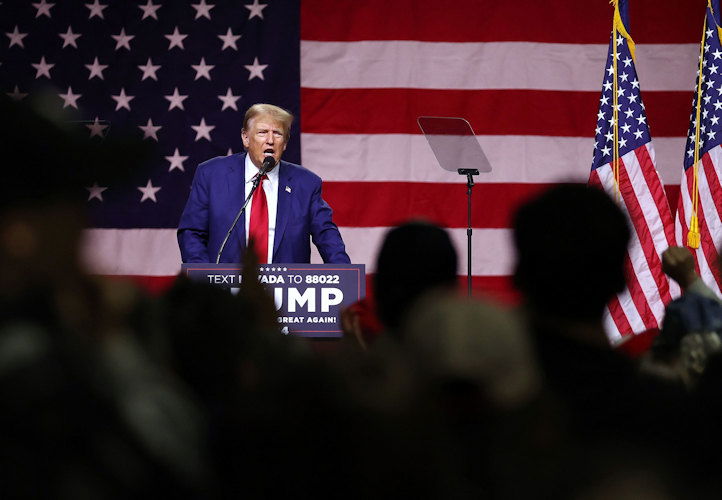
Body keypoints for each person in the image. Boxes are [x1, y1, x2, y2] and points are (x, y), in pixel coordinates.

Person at [178, 103, 350, 264]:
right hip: (224, 291)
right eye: (262, 132)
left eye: (278, 133)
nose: (270, 140)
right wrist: (203, 278)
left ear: (285, 143)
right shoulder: (212, 174)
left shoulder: (306, 183)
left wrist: (344, 275)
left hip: (287, 289)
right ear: (246, 138)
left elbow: (326, 235)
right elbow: (192, 232)